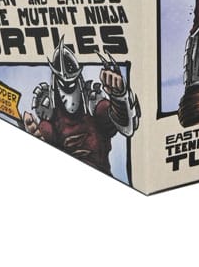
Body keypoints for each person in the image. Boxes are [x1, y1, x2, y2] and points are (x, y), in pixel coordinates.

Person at [23, 38, 140, 175]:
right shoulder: (51, 119)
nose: (68, 89)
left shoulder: (95, 106)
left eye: (71, 83)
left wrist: (119, 96)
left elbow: (126, 127)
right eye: (63, 84)